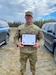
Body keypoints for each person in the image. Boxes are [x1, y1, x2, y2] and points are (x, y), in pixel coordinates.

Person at [14, 11, 42, 75]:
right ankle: (22, 73)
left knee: (33, 65)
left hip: (33, 51)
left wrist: (39, 44)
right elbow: (15, 38)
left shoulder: (37, 28)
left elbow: (42, 38)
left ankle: (33, 73)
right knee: (22, 66)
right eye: (27, 16)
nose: (28, 18)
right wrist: (17, 43)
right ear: (25, 17)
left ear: (32, 18)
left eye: (30, 16)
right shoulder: (20, 28)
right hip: (23, 51)